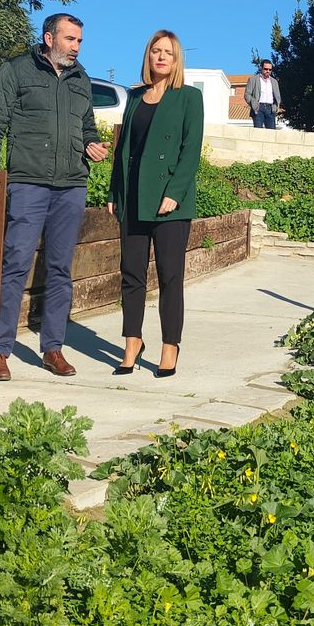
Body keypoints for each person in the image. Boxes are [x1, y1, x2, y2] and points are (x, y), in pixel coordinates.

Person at [0, 13, 109, 381]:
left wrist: (91, 144)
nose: (76, 47)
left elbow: (87, 125)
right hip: (28, 183)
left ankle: (52, 348)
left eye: (79, 41)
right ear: (49, 38)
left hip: (72, 185)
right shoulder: (17, 70)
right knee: (16, 263)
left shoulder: (81, 78)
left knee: (60, 269)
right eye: (70, 39)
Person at [109, 30, 203, 378]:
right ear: (148, 56)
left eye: (168, 52)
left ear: (177, 60)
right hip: (133, 196)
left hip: (170, 200)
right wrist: (114, 192)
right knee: (131, 274)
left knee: (169, 275)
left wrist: (174, 192)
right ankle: (132, 341)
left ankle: (169, 344)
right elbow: (124, 149)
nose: (161, 57)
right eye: (156, 51)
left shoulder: (189, 97)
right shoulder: (135, 96)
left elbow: (190, 150)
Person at [243, 59, 282, 129]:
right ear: (261, 68)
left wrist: (276, 107)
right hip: (258, 108)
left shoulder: (274, 82)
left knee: (271, 133)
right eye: (266, 69)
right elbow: (247, 94)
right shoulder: (253, 79)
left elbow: (277, 96)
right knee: (258, 132)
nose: (268, 71)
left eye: (270, 69)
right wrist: (254, 104)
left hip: (271, 109)